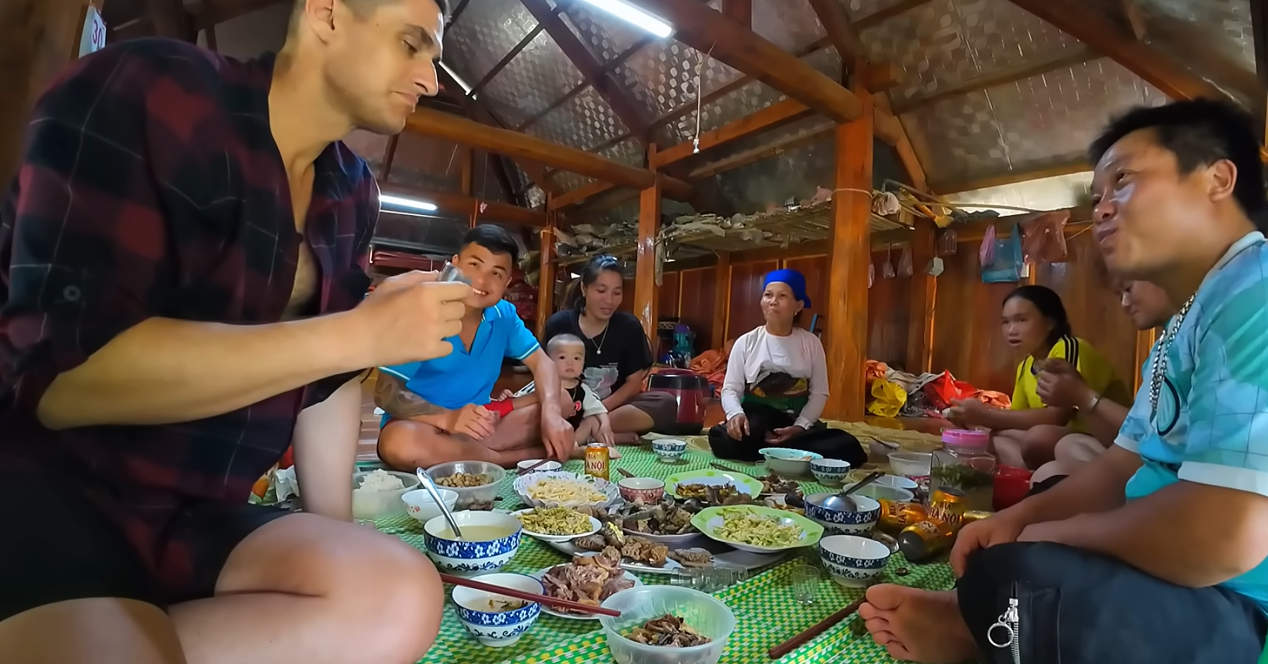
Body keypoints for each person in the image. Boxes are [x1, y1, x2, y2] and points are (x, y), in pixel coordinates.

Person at [0, 1, 463, 663]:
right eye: (412, 44)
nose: (432, 79)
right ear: (327, 13)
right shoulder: (153, 88)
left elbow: (321, 386)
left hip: (198, 510)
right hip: (50, 482)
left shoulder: (350, 190)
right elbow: (63, 380)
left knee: (399, 591)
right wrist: (362, 336)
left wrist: (331, 535)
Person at [861, 98, 1268, 664]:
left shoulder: (1258, 291)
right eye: (1096, 197)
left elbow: (1224, 537)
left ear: (1218, 178)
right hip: (1168, 568)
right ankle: (991, 623)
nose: (1101, 210)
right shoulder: (1185, 323)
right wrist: (1018, 519)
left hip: (1235, 603)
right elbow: (1120, 466)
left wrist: (1062, 534)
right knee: (1011, 540)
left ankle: (982, 634)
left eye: (1122, 181)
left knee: (1027, 566)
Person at [375, 225, 574, 469]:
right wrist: (449, 419)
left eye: (496, 273)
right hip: (426, 425)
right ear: (455, 264)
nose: (482, 280)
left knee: (561, 400)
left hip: (482, 425)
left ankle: (471, 454)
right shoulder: (423, 312)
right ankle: (506, 458)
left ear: (507, 282)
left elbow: (542, 362)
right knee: (399, 443)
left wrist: (551, 415)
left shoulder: (504, 315)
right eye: (474, 265)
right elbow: (385, 391)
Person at [949, 285, 1130, 469]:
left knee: (1038, 438)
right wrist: (978, 421)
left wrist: (986, 415)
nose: (1011, 330)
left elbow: (1057, 417)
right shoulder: (1026, 365)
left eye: (1021, 320)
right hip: (1056, 441)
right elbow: (1014, 418)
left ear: (1050, 322)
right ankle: (1026, 477)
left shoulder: (1068, 348)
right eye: (1005, 322)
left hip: (1103, 440)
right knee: (988, 436)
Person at [1029, 279, 1175, 487]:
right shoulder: (1163, 344)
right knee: (1066, 446)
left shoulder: (1070, 347)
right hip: (1135, 457)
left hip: (1167, 482)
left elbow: (1147, 436)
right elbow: (1128, 436)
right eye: (1005, 322)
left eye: (1128, 289)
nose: (1124, 303)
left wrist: (1082, 395)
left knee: (1048, 462)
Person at [544, 255, 678, 441]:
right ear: (584, 288)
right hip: (567, 406)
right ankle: (600, 433)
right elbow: (544, 375)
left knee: (666, 403)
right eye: (601, 290)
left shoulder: (629, 326)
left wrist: (597, 411)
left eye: (616, 293)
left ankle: (588, 430)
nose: (609, 300)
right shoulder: (560, 324)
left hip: (612, 407)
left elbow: (633, 384)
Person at [710, 270, 830, 451]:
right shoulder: (746, 342)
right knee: (722, 439)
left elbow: (820, 392)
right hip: (756, 419)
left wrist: (800, 426)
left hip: (794, 420)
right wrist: (735, 414)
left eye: (782, 296)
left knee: (847, 447)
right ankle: (786, 452)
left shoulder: (811, 343)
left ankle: (784, 446)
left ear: (798, 305)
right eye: (768, 295)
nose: (773, 301)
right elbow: (730, 389)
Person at [512, 334, 617, 457]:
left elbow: (600, 410)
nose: (570, 363)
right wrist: (509, 397)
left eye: (577, 358)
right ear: (548, 362)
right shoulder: (542, 384)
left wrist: (605, 426)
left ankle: (603, 447)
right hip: (546, 435)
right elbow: (518, 401)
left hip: (574, 435)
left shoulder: (583, 389)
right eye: (562, 357)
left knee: (593, 421)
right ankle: (572, 451)